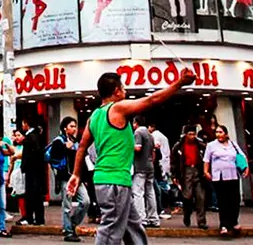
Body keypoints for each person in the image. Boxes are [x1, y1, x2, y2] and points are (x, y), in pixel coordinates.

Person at [66, 69, 198, 245]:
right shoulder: (117, 108)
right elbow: (152, 100)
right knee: (110, 231)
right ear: (116, 91)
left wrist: (76, 174)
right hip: (115, 182)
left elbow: (82, 147)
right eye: (123, 87)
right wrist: (180, 82)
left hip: (109, 180)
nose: (126, 91)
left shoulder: (95, 116)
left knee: (133, 227)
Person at [48, 117, 89, 242]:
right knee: (67, 205)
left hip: (77, 178)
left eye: (75, 126)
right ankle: (68, 231)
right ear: (64, 128)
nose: (74, 129)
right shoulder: (58, 141)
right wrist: (66, 148)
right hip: (65, 177)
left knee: (85, 201)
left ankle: (72, 223)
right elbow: (54, 158)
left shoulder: (76, 142)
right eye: (71, 126)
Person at [204, 125, 249, 236]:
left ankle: (234, 221)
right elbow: (206, 160)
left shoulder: (233, 144)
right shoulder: (211, 145)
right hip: (219, 177)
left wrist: (246, 168)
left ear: (226, 134)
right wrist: (206, 171)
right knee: (223, 201)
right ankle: (224, 225)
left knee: (235, 200)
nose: (218, 134)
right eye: (217, 132)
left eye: (221, 132)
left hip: (233, 175)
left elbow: (242, 157)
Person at [171, 125, 208, 230]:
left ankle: (201, 221)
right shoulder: (178, 146)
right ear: (186, 135)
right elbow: (173, 162)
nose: (192, 136)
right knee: (187, 197)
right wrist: (174, 175)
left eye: (194, 134)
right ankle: (187, 214)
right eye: (190, 134)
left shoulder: (201, 145)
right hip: (185, 171)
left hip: (198, 171)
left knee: (201, 197)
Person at [132, 116, 160, 228]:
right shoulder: (150, 134)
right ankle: (153, 218)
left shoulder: (138, 132)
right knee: (150, 192)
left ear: (136, 123)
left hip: (140, 167)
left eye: (133, 123)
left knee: (138, 192)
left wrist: (127, 145)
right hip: (150, 167)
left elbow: (138, 148)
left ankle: (141, 218)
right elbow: (153, 152)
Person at [21, 117, 47, 226]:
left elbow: (30, 154)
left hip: (32, 170)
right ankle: (39, 218)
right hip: (38, 170)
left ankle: (30, 218)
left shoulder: (30, 137)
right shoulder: (38, 135)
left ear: (26, 124)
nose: (22, 126)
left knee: (32, 194)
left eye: (23, 123)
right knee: (37, 195)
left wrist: (25, 166)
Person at [149, 122, 174, 219]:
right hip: (163, 162)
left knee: (160, 186)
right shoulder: (163, 136)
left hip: (159, 164)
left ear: (152, 127)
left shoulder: (155, 136)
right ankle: (165, 205)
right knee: (162, 184)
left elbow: (155, 149)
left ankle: (165, 205)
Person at [8, 128, 28, 223]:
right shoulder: (15, 148)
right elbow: (11, 163)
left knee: (24, 195)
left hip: (23, 172)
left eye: (19, 135)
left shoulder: (26, 146)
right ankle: (23, 215)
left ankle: (26, 215)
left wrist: (16, 156)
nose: (17, 138)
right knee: (19, 195)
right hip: (16, 173)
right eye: (15, 136)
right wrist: (8, 176)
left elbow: (23, 155)